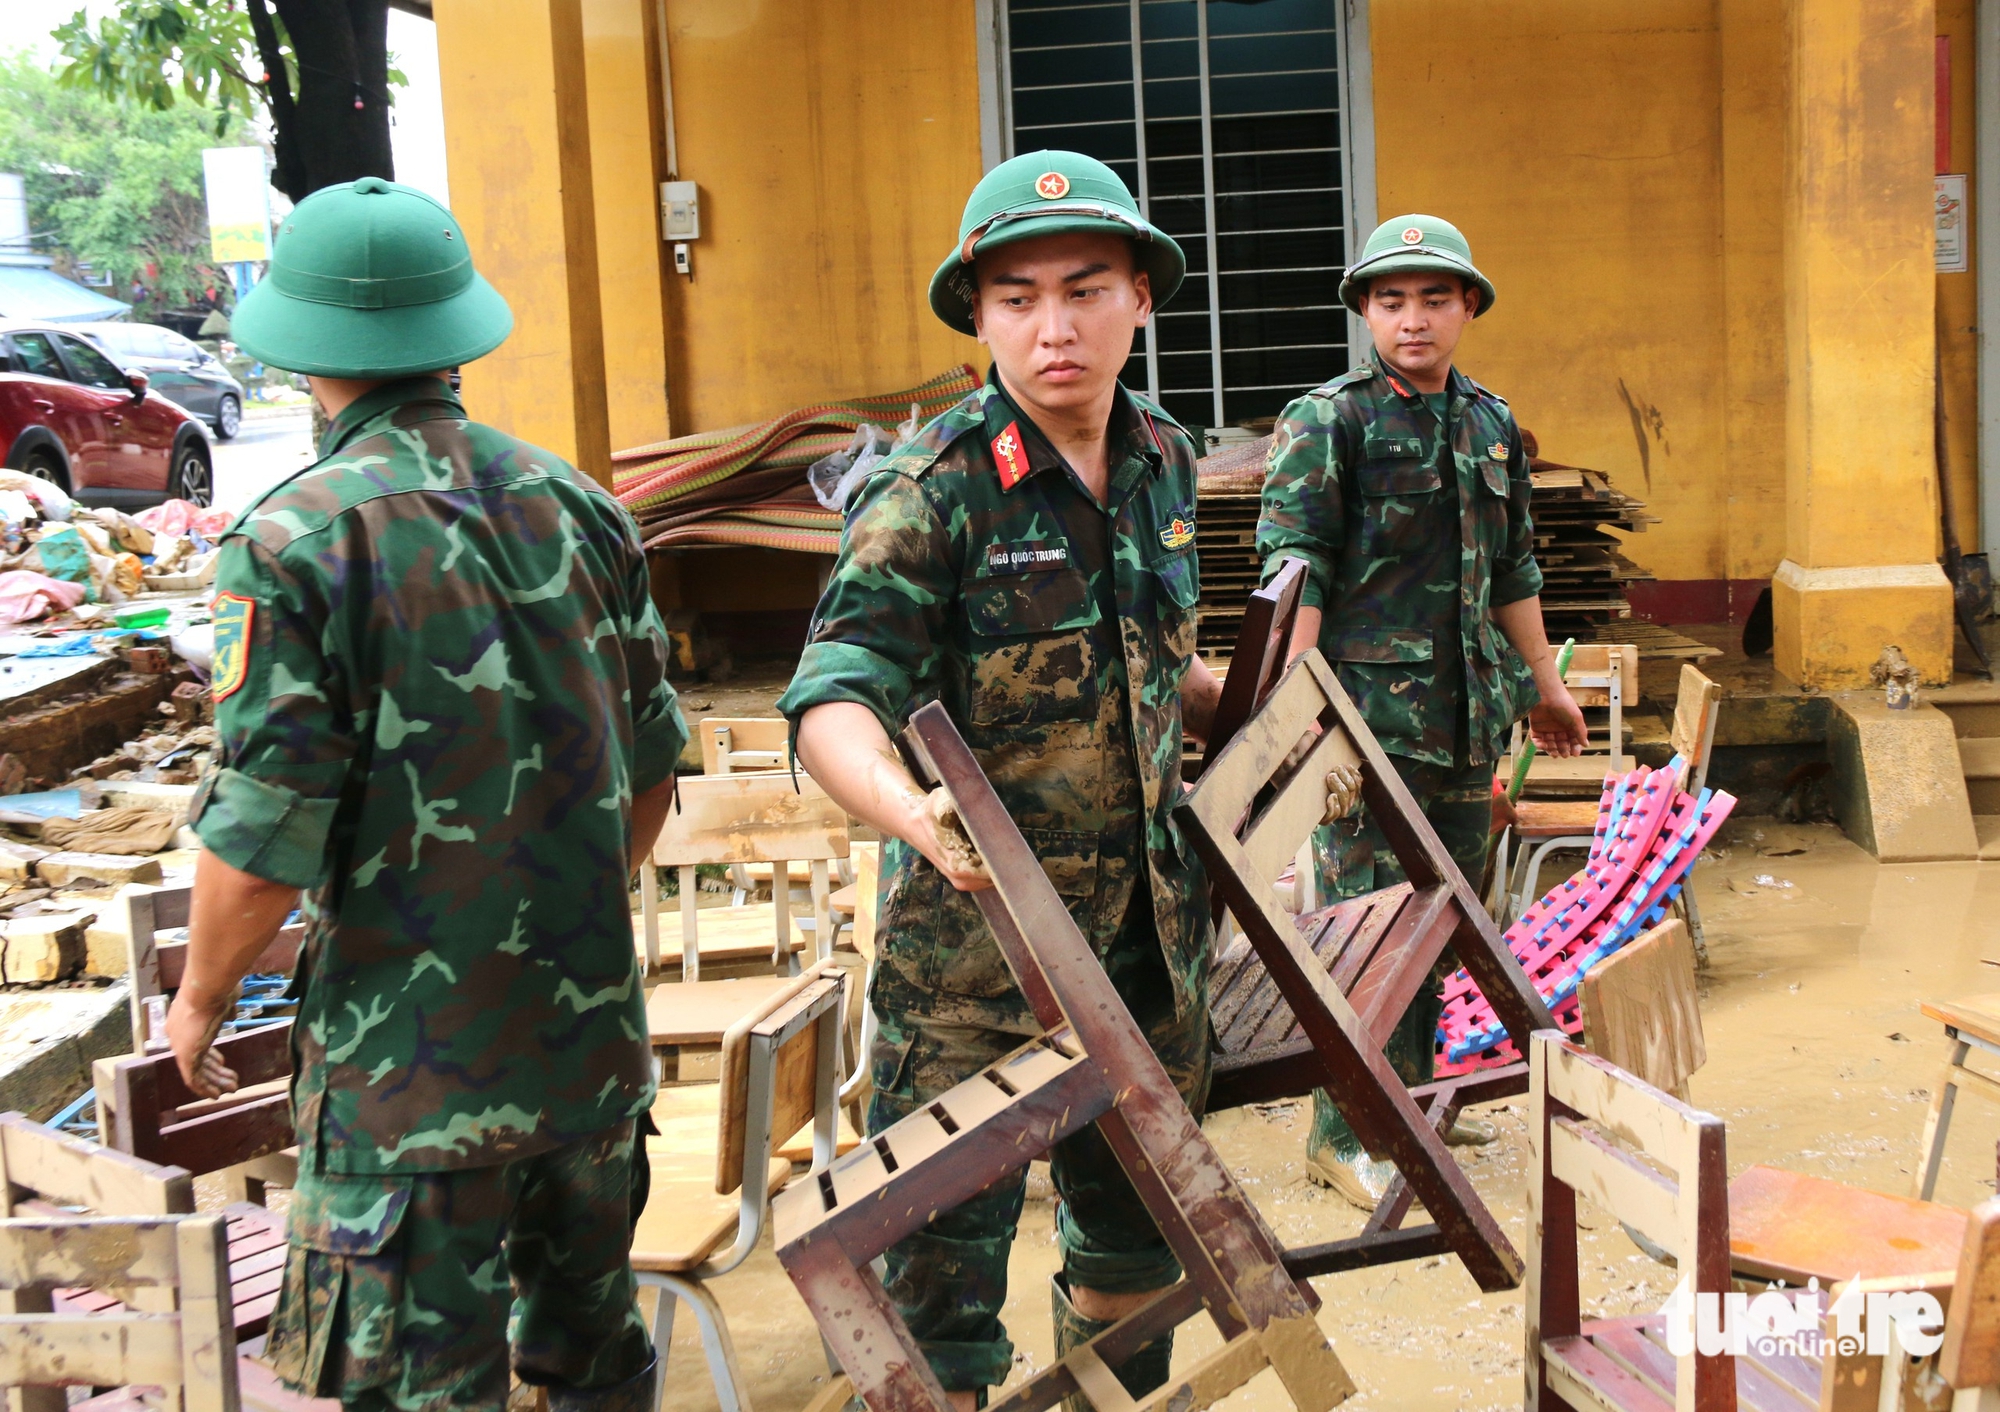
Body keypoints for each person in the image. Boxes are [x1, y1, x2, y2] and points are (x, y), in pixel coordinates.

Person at [167, 177, 686, 1412]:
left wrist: (198, 997)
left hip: (410, 1102)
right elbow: (653, 767)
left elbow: (261, 839)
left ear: (303, 354)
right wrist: (553, 904)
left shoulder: (292, 541)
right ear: (456, 329)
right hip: (587, 1071)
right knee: (591, 1368)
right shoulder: (582, 508)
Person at [780, 149, 1266, 1410]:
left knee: (1133, 1257)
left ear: (1140, 298)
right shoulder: (928, 486)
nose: (1053, 328)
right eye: (1016, 298)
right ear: (978, 312)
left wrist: (1245, 700)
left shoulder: (1161, 456)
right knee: (937, 1306)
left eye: (1085, 288)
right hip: (974, 973)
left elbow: (1152, 656)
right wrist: (907, 809)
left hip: (1146, 952)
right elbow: (833, 693)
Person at [1257, 212, 1588, 1210]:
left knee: (1439, 915)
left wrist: (1543, 679)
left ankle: (1404, 1092)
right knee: (1361, 926)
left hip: (1462, 716)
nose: (1412, 319)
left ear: (1466, 308)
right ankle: (1341, 1131)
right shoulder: (1329, 421)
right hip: (1362, 727)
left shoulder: (1487, 422)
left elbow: (1513, 566)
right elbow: (1293, 573)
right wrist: (1301, 716)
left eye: (1433, 298)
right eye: (1391, 300)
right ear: (1363, 310)